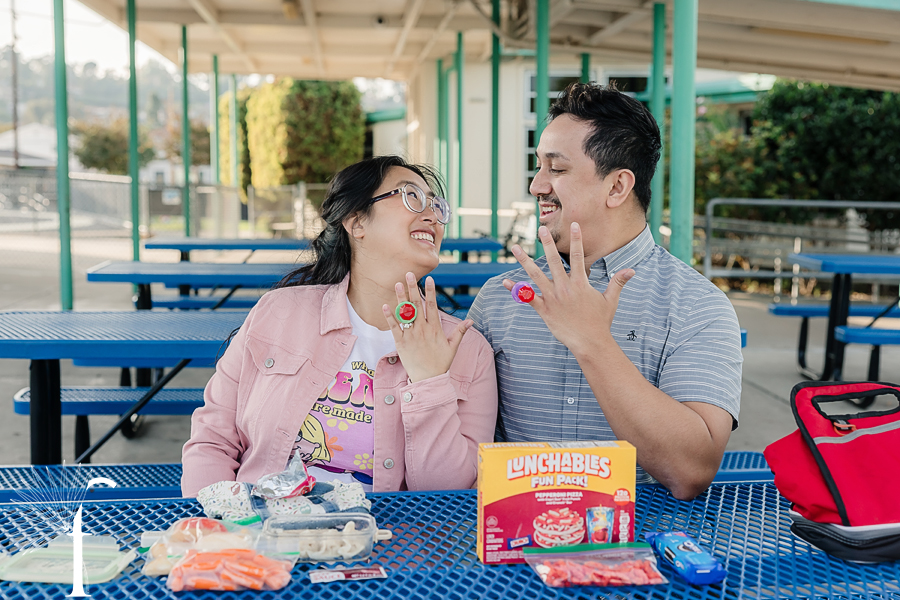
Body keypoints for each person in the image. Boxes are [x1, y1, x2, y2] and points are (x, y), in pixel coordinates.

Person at [468, 83, 742, 501]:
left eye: (556, 170)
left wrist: (592, 341)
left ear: (617, 187)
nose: (537, 186)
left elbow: (691, 471)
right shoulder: (500, 296)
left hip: (643, 546)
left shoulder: (697, 305)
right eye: (537, 167)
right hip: (509, 543)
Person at [182, 156, 498, 497]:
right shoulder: (277, 313)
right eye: (411, 197)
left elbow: (450, 495)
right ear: (357, 221)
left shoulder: (467, 349)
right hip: (263, 534)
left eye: (437, 206)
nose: (432, 215)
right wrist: (218, 524)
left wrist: (429, 382)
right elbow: (213, 438)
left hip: (393, 544)